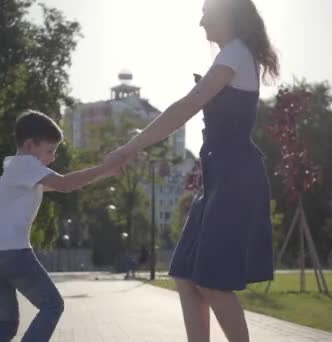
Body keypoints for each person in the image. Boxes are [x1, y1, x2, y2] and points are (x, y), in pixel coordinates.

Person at [103, 0, 279, 340]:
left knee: (212, 284)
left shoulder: (236, 53)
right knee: (185, 275)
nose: (200, 23)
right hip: (217, 178)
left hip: (235, 177)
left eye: (206, 13)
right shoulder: (232, 54)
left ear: (227, 16)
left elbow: (185, 107)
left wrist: (129, 148)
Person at [0, 110, 118, 342]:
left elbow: (64, 184)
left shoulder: (14, 168)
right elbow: (65, 184)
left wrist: (104, 173)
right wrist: (104, 167)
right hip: (11, 252)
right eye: (49, 151)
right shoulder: (27, 165)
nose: (52, 158)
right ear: (30, 145)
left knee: (7, 322)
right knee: (52, 305)